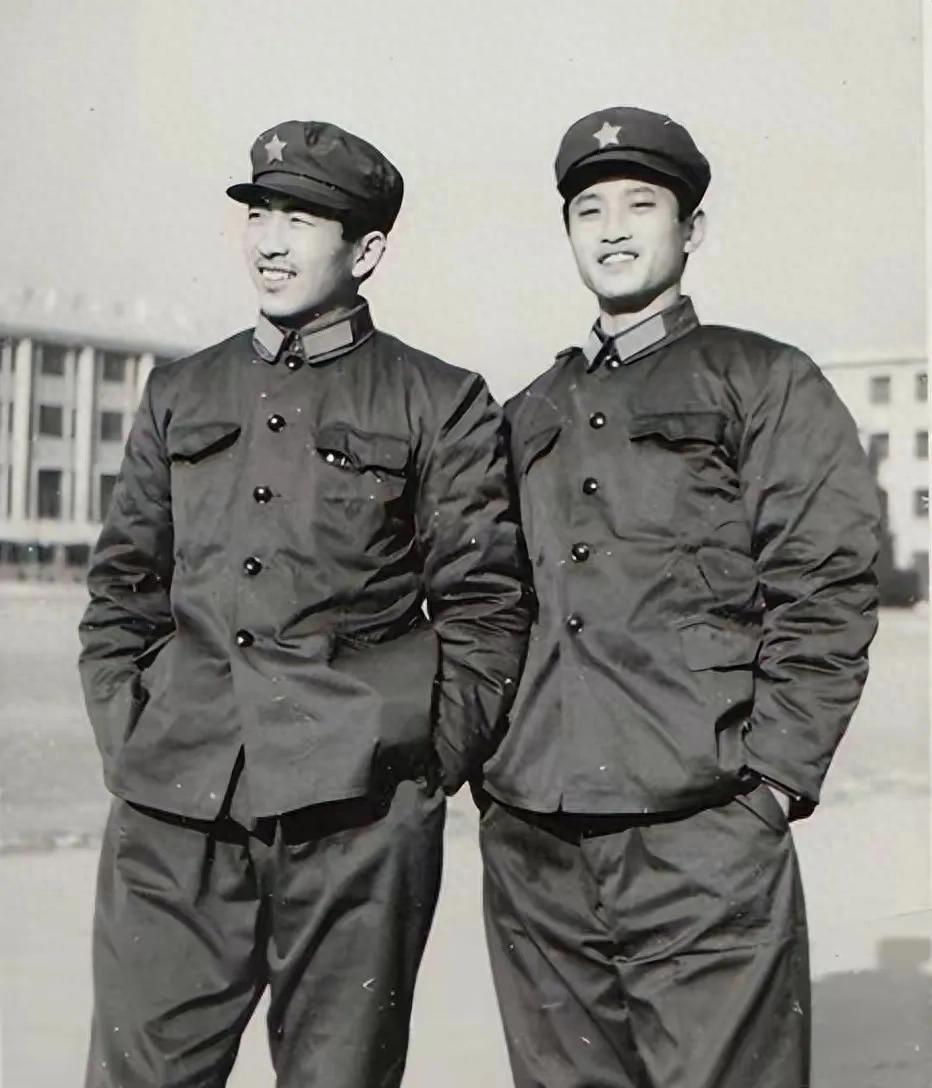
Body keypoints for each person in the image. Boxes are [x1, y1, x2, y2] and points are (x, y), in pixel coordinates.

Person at [78, 118, 531, 1088]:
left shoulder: (439, 399)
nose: (271, 243)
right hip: (176, 802)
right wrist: (130, 731)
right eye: (260, 215)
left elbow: (486, 605)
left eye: (303, 220)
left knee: (339, 1074)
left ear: (365, 251)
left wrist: (420, 766)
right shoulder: (180, 389)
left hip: (357, 812)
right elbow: (123, 586)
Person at [478, 106, 880, 1088]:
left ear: (691, 227)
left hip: (703, 829)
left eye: (640, 204)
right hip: (536, 836)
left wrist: (773, 781)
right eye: (588, 210)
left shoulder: (761, 379)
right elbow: (483, 599)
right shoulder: (527, 409)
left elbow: (824, 585)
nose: (612, 229)